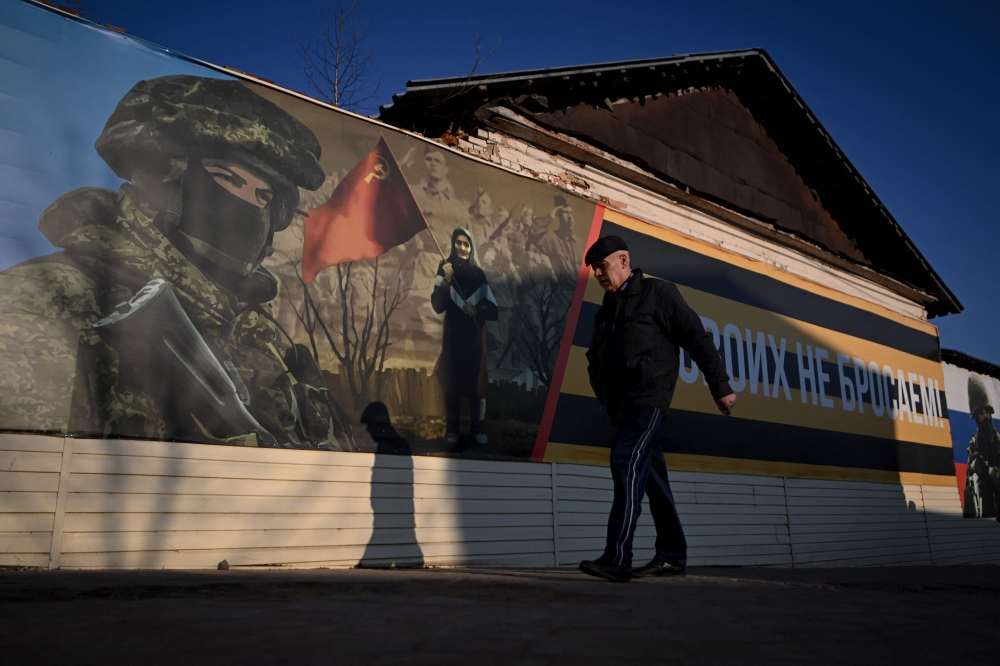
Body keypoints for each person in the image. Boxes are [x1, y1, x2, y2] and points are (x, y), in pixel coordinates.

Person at [0, 75, 347, 449]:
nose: (249, 208)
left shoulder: (259, 334)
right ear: (164, 175)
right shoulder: (52, 297)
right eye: (227, 178)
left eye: (263, 196)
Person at [579, 236, 736, 582]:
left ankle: (617, 557)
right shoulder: (605, 312)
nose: (598, 275)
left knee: (624, 460)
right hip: (622, 406)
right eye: (594, 270)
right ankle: (672, 555)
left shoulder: (659, 294)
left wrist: (720, 387)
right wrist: (605, 396)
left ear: (623, 260)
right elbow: (594, 359)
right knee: (652, 477)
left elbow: (696, 338)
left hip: (649, 397)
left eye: (602, 267)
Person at [431, 228, 499, 446]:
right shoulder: (445, 269)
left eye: (466, 244)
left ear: (471, 248)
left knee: (476, 382)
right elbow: (437, 305)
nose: (461, 247)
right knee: (452, 381)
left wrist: (477, 310)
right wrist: (446, 280)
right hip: (453, 336)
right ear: (453, 244)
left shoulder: (478, 274)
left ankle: (477, 430)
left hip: (475, 338)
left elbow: (493, 310)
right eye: (458, 243)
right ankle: (452, 431)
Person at [964, 373, 1000, 519]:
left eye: (986, 412)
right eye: (980, 413)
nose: (984, 416)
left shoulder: (998, 444)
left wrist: (990, 472)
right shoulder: (974, 448)